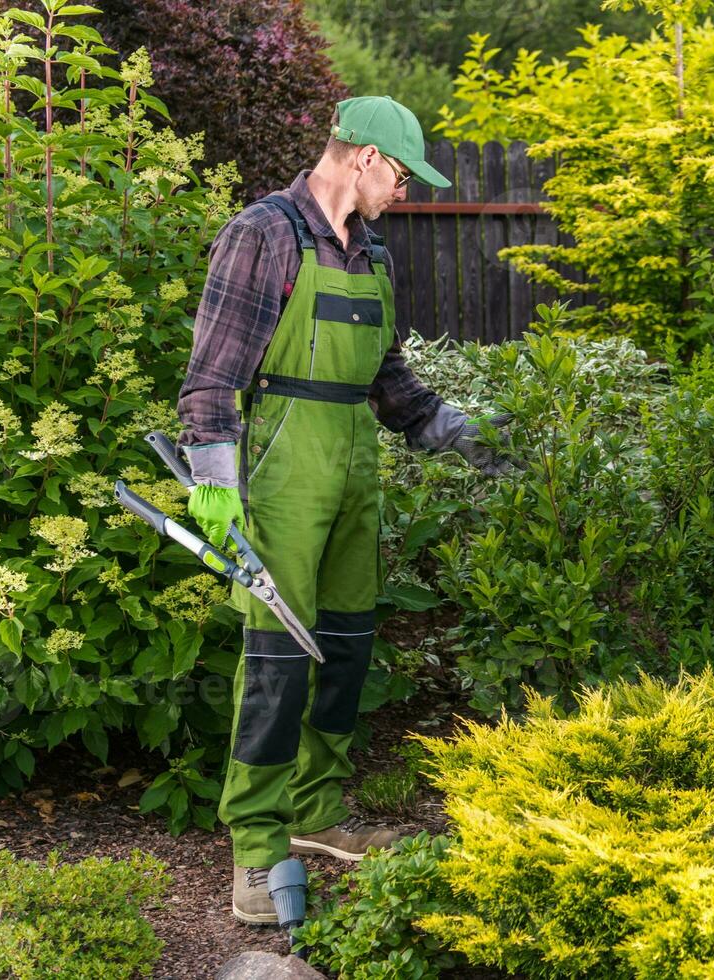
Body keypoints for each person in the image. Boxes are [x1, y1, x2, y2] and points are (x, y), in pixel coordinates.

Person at [176, 95, 511, 925]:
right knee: (278, 661)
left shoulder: (372, 255)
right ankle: (256, 845)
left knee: (346, 648)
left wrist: (465, 437)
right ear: (361, 156)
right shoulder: (264, 235)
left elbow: (388, 381)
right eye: (401, 173)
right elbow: (212, 378)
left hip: (354, 462)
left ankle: (316, 811)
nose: (405, 190)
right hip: (285, 468)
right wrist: (213, 481)